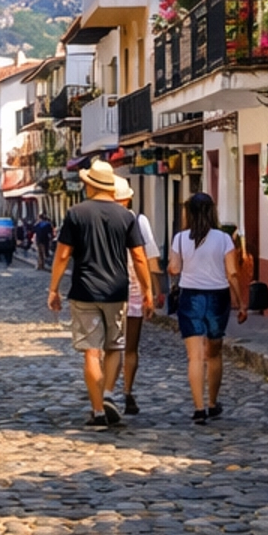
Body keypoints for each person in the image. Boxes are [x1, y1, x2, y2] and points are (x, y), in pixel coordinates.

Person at [48, 158, 153, 430]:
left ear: (89, 184)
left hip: (84, 290)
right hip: (117, 292)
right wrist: (147, 291)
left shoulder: (76, 213)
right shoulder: (126, 217)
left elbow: (63, 255)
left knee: (91, 352)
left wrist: (54, 288)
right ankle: (107, 394)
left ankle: (96, 412)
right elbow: (139, 258)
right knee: (115, 346)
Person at [168, 190, 247, 422]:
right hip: (217, 298)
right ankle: (213, 402)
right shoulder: (223, 239)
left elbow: (174, 268)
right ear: (212, 212)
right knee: (214, 354)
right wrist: (241, 303)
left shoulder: (180, 238)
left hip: (190, 298)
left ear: (189, 214)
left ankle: (199, 408)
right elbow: (232, 273)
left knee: (194, 356)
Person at [112, 176, 161, 418]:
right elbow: (147, 257)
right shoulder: (138, 221)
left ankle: (105, 393)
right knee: (130, 348)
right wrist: (153, 290)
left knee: (109, 347)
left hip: (106, 293)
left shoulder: (102, 220)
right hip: (133, 292)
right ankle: (127, 392)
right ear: (129, 197)